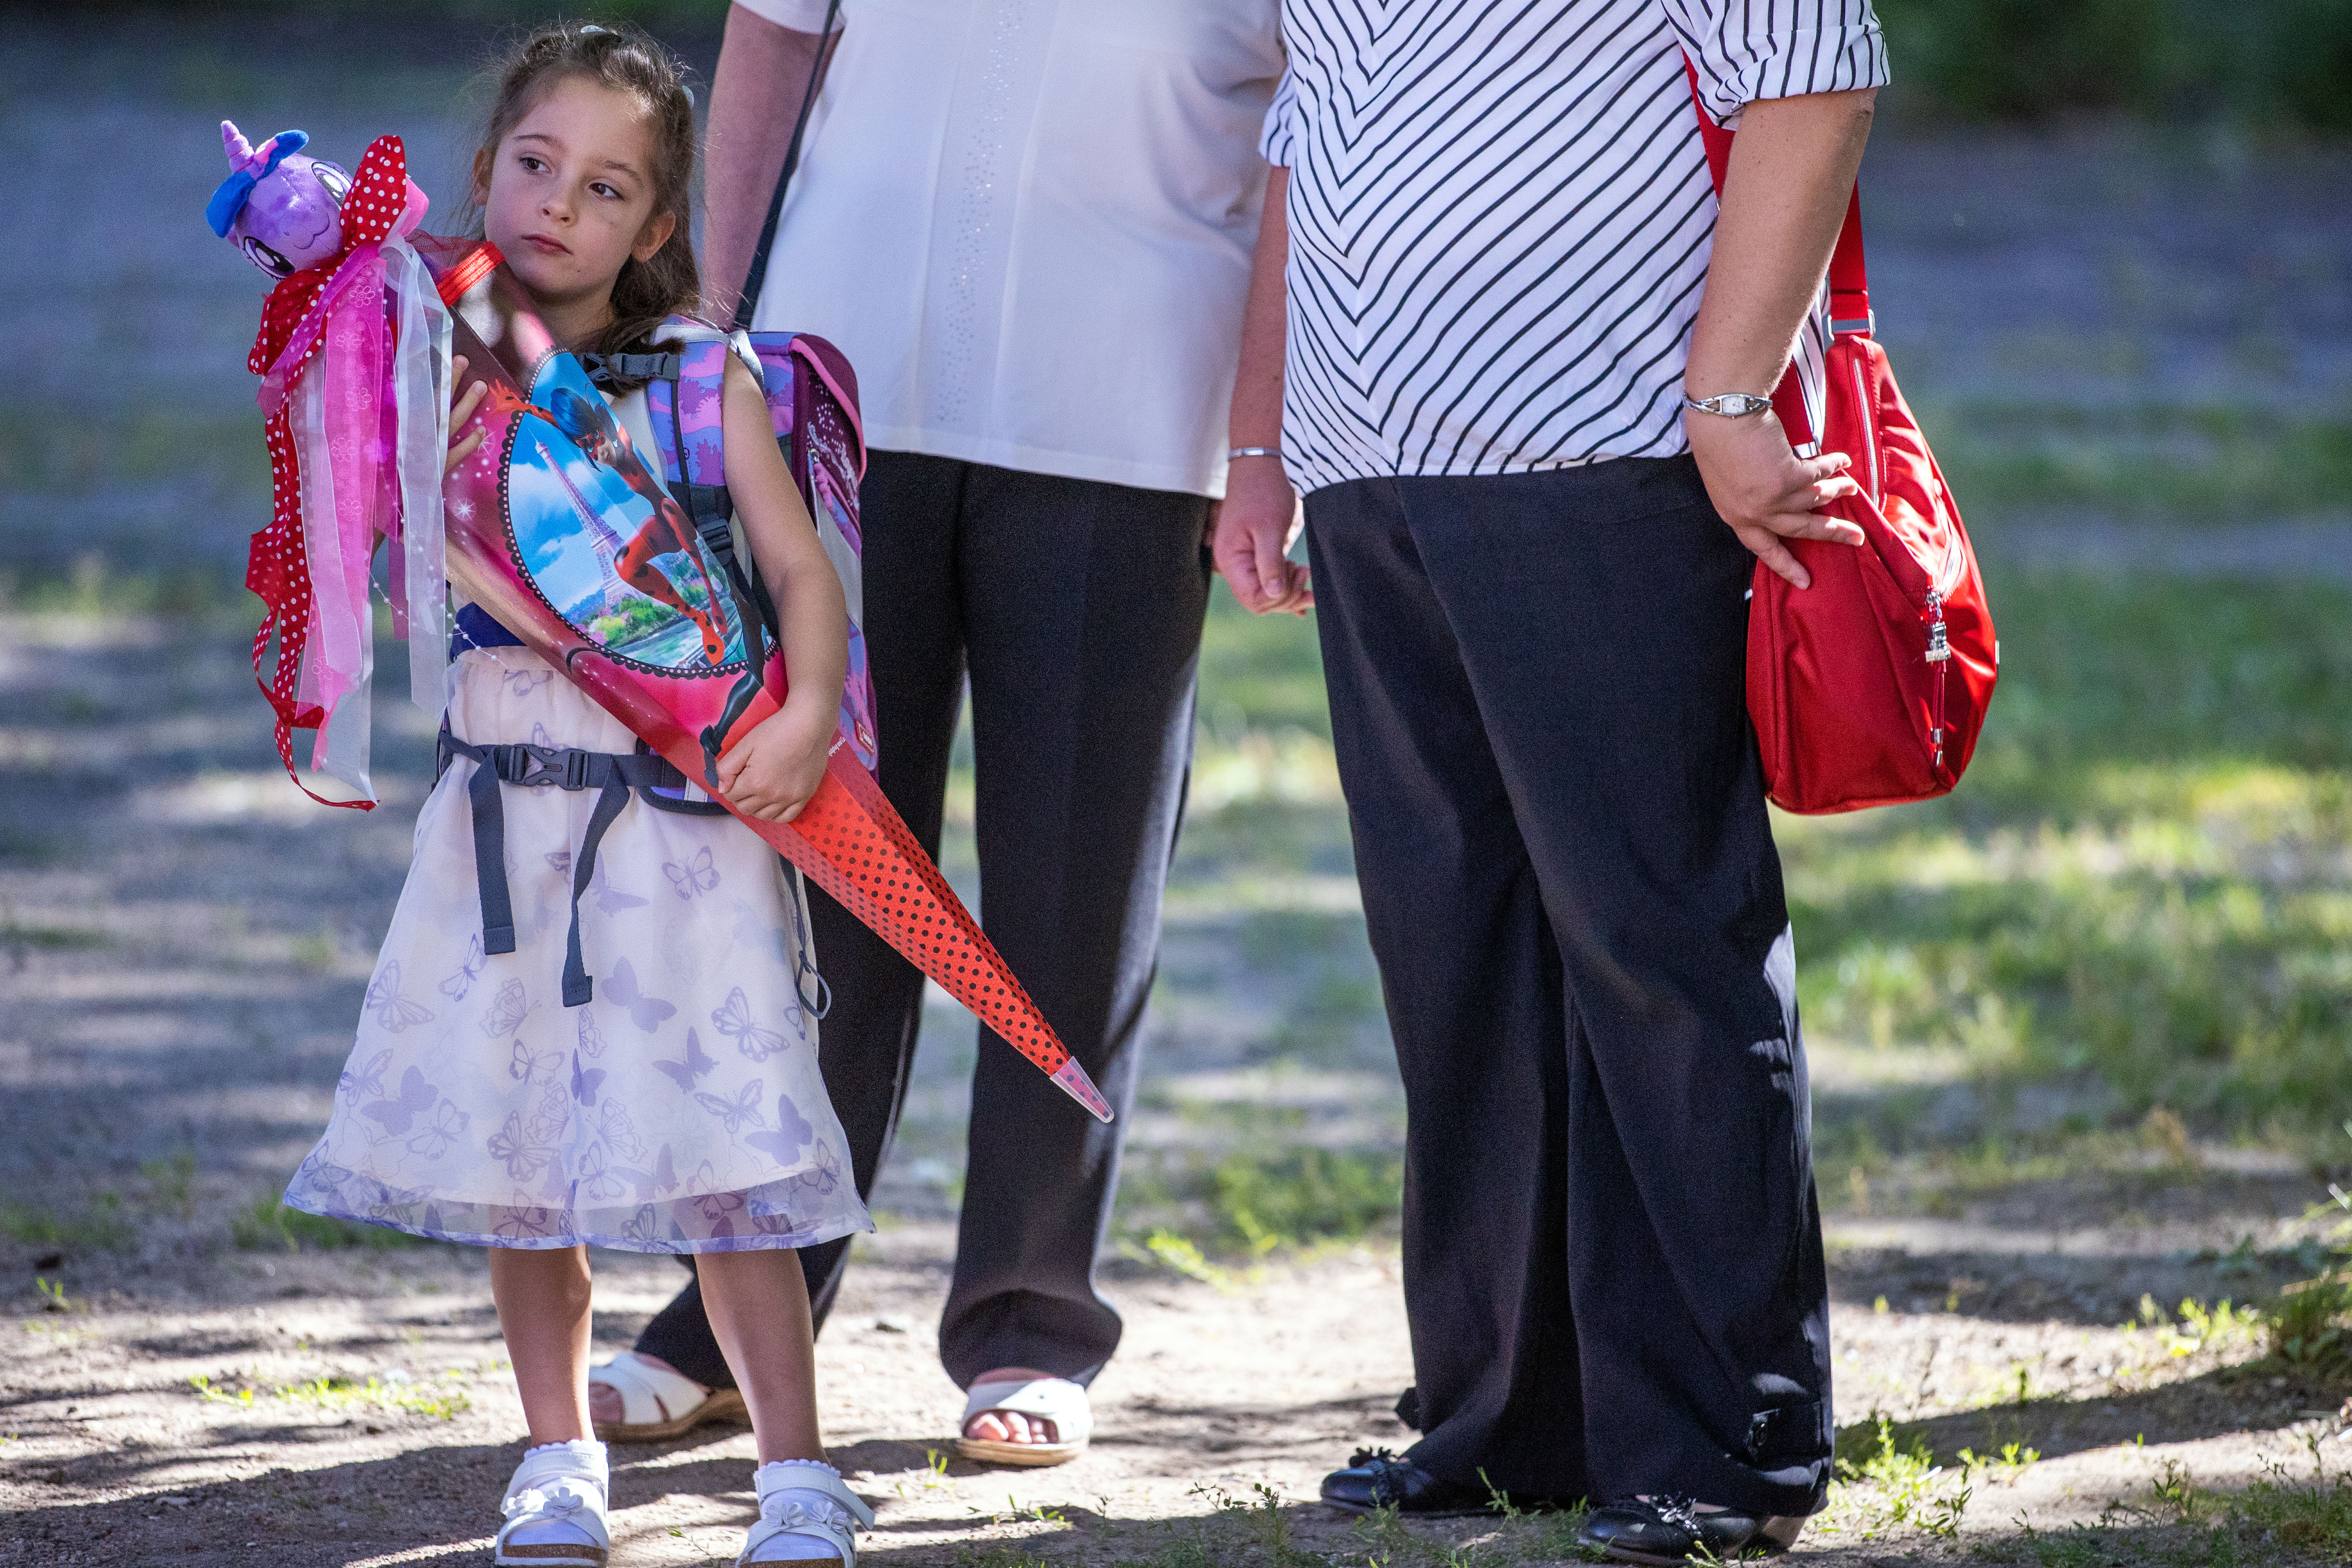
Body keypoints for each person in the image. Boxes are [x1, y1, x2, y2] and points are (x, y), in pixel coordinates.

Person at [1213, 1, 1886, 1560]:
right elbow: (1300, 147)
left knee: (1654, 948)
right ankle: (1507, 1422)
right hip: (1366, 469)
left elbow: (1815, 77)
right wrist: (1259, 445)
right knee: (1453, 957)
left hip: (1610, 453)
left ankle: (1723, 1446)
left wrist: (1726, 398)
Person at [588, 0, 1290, 1467]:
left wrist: (1257, 439)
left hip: (1127, 411)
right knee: (812, 878)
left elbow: (1302, 149)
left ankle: (1033, 1322)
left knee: (1074, 888)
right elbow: (775, 36)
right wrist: (704, 314)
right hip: (839, 400)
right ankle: (736, 1318)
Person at [282, 24, 877, 1565]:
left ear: (658, 227)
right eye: (535, 166)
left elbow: (802, 574)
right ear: (485, 175)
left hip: (681, 833)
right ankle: (556, 1454)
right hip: (502, 828)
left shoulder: (702, 382)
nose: (559, 204)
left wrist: (807, 713)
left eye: (606, 186)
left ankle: (798, 1474)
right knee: (521, 1149)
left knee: (729, 1154)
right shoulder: (426, 363)